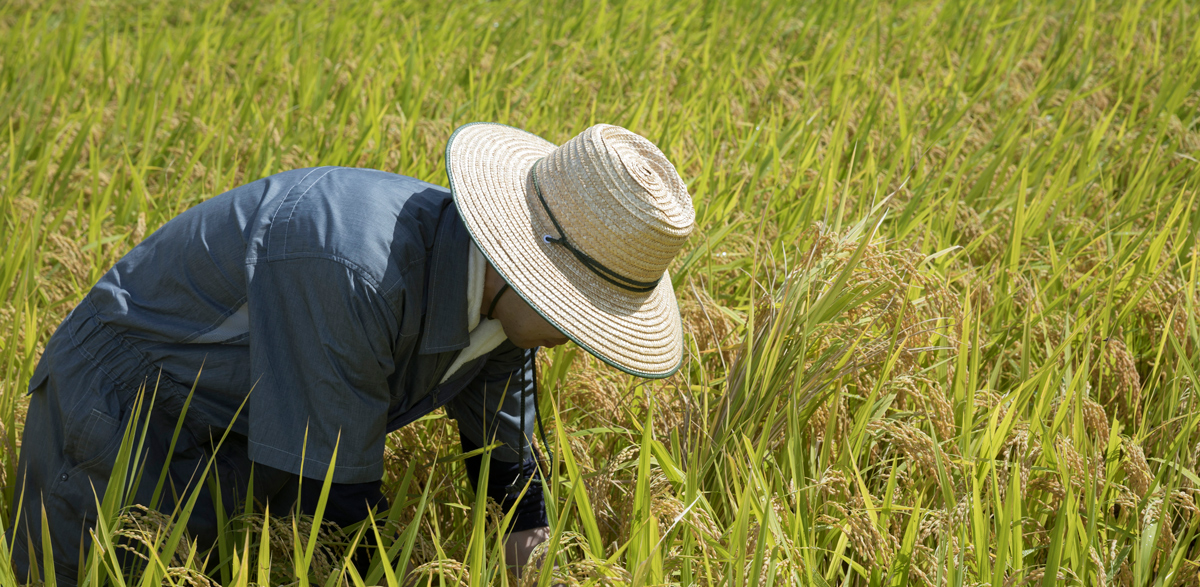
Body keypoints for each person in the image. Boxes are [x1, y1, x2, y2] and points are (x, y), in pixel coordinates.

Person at [8, 122, 695, 584]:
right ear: (522, 265)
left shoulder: (497, 305)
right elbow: (338, 508)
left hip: (243, 427)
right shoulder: (353, 268)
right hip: (125, 409)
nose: (575, 335)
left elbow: (504, 455)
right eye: (574, 311)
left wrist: (533, 544)